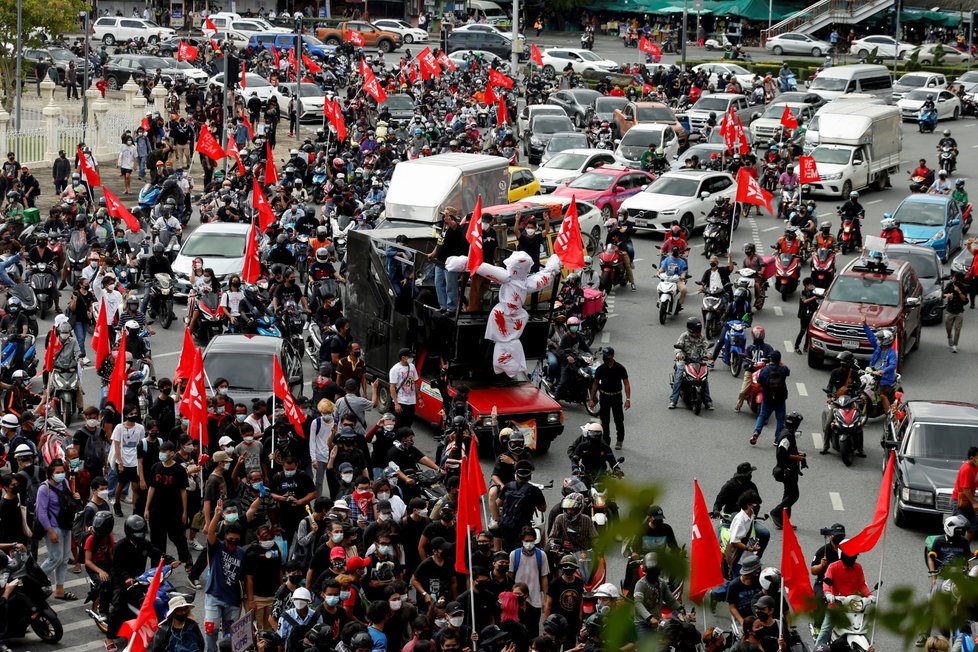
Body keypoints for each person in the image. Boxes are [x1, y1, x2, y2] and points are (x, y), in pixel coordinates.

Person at [204, 499, 246, 652]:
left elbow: (243, 579)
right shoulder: (217, 547)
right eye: (230, 540)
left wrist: (243, 602)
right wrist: (216, 515)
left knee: (230, 635)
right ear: (225, 537)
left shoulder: (242, 553)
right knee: (210, 630)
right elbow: (210, 532)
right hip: (214, 596)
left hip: (233, 601)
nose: (232, 543)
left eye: (236, 541)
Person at [813, 541, 872, 650]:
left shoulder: (858, 567)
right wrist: (828, 593)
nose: (853, 558)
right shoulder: (833, 567)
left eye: (855, 556)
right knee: (826, 630)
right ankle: (817, 649)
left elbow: (862, 584)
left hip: (853, 605)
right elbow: (827, 582)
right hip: (836, 605)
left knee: (863, 627)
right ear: (843, 555)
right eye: (851, 555)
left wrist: (869, 595)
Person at [587, 347, 631, 449]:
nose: (605, 358)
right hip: (604, 397)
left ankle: (620, 440)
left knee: (619, 420)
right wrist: (591, 399)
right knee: (605, 421)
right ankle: (606, 440)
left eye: (607, 356)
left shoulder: (620, 368)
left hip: (616, 397)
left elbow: (626, 383)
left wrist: (628, 399)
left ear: (612, 356)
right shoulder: (600, 369)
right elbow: (595, 384)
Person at [769, 413, 805, 530]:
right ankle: (775, 512)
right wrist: (796, 458)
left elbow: (786, 450)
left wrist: (798, 454)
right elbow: (781, 452)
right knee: (794, 495)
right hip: (787, 470)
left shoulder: (787, 433)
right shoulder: (787, 436)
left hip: (789, 470)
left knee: (788, 495)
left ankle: (785, 521)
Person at [633, 552, 681, 636]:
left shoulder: (662, 583)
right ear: (646, 571)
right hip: (643, 623)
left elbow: (671, 600)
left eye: (656, 571)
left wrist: (681, 610)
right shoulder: (640, 584)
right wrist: (649, 618)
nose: (654, 574)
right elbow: (638, 603)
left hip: (658, 621)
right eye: (651, 571)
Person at [669, 317, 713, 411]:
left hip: (698, 361)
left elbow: (706, 347)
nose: (696, 334)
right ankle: (673, 400)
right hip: (684, 361)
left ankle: (708, 401)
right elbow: (678, 347)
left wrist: (709, 354)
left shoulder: (701, 337)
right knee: (679, 376)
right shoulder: (684, 336)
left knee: (704, 379)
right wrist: (679, 354)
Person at [749, 351, 790, 446]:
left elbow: (759, 381)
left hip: (767, 398)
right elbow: (788, 372)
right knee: (780, 419)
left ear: (770, 359)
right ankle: (777, 439)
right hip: (780, 399)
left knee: (762, 416)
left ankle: (756, 432)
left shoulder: (765, 370)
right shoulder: (783, 369)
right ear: (779, 359)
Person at [862, 317, 897, 414]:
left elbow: (893, 365)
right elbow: (871, 337)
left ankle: (889, 415)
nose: (878, 340)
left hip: (885, 378)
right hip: (872, 374)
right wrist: (865, 324)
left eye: (881, 339)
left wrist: (884, 371)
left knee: (882, 395)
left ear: (886, 340)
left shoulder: (891, 353)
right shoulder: (878, 348)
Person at [388, 348, 418, 430]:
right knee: (398, 425)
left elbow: (415, 382)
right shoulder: (395, 369)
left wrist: (419, 397)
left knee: (408, 425)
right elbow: (392, 387)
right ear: (403, 358)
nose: (412, 358)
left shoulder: (412, 366)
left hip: (411, 403)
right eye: (410, 357)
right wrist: (396, 404)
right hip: (401, 402)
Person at [951, 447, 978, 533]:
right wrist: (974, 503)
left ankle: (964, 546)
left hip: (967, 501)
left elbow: (974, 481)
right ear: (971, 458)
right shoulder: (967, 469)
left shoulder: (975, 466)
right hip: (959, 502)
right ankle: (953, 546)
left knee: (973, 526)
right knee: (957, 528)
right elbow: (966, 489)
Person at [944, 271, 968, 353]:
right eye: (953, 277)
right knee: (948, 327)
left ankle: (955, 345)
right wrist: (948, 295)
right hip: (949, 311)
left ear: (958, 279)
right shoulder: (949, 285)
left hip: (959, 312)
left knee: (958, 329)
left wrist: (959, 291)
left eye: (954, 277)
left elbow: (965, 300)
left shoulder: (963, 287)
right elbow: (943, 294)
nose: (953, 278)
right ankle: (949, 336)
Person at [795, 277, 818, 354]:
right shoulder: (803, 292)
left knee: (809, 332)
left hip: (812, 315)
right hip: (804, 315)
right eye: (810, 284)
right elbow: (805, 301)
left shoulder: (813, 292)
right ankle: (796, 347)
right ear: (806, 285)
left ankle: (806, 347)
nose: (812, 286)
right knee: (802, 331)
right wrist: (814, 297)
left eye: (812, 284)